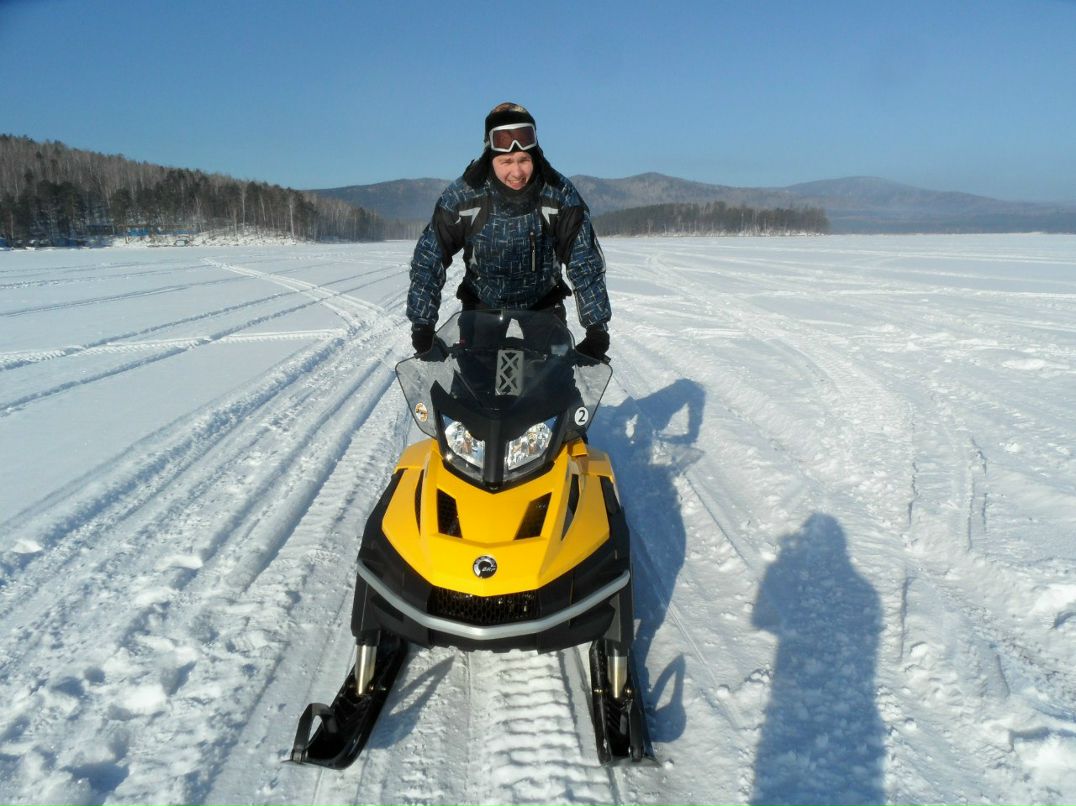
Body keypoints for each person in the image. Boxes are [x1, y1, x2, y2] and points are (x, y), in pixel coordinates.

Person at [406, 102, 611, 361]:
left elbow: (585, 261)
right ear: (490, 157)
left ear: (535, 155)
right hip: (482, 307)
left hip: (543, 305)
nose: (516, 172)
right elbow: (429, 258)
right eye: (506, 161)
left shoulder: (558, 194)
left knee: (555, 387)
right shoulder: (465, 196)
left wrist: (597, 328)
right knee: (473, 385)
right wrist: (422, 324)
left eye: (524, 160)